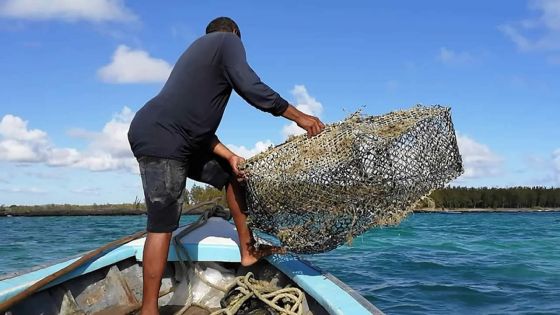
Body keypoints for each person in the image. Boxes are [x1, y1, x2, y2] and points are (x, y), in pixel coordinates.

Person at [127, 17, 324, 314]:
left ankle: (248, 251)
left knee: (232, 176)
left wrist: (230, 156)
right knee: (162, 224)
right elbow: (251, 87)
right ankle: (149, 310)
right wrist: (299, 117)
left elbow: (197, 127)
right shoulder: (226, 41)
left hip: (178, 136)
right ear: (234, 33)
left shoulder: (201, 54)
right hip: (161, 137)